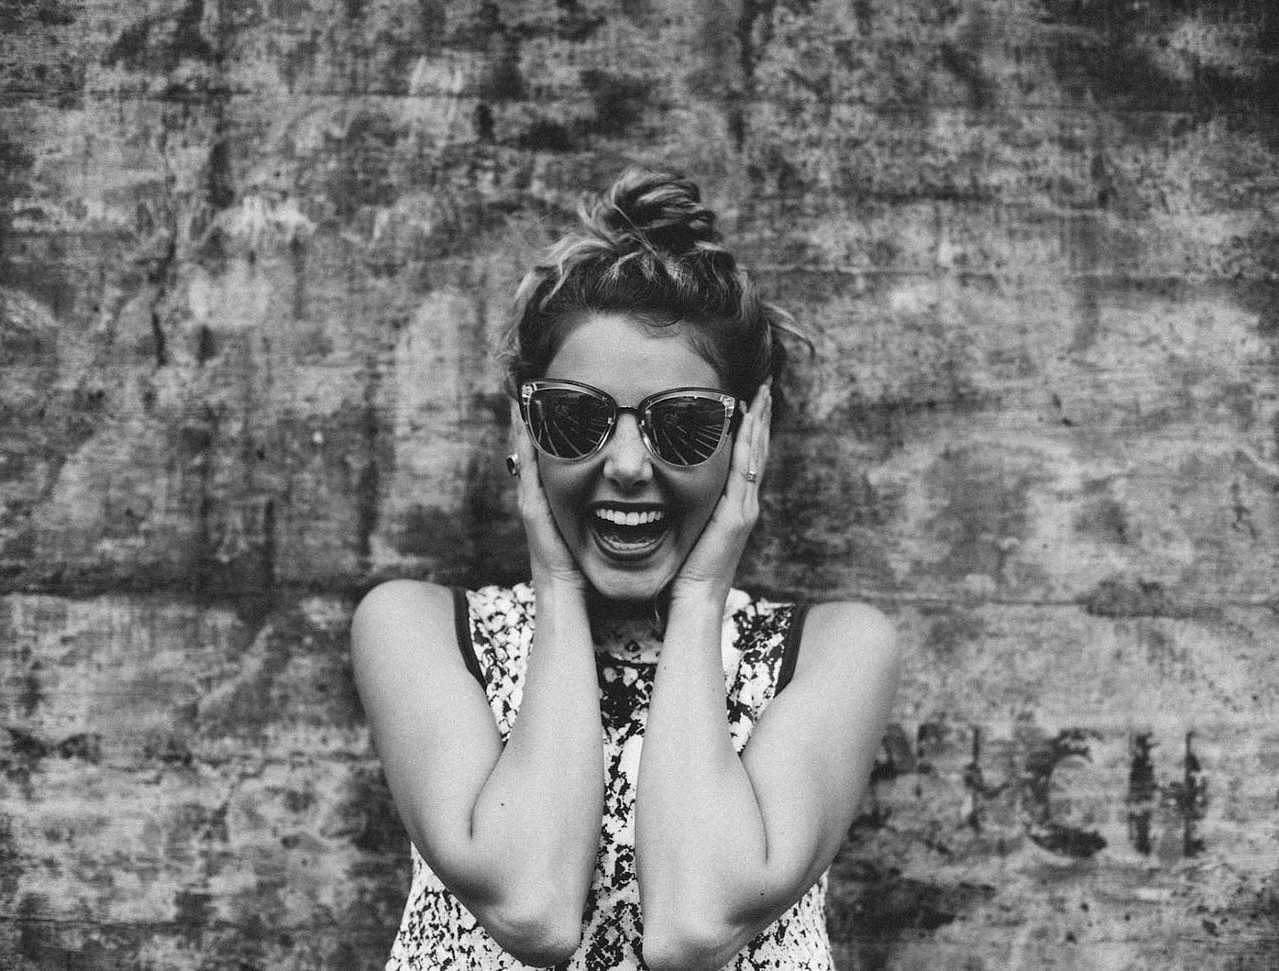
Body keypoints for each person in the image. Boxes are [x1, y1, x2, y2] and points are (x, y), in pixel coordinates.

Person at [351, 165, 899, 970]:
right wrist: (559, 585)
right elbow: (532, 908)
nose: (630, 465)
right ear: (526, 426)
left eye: (682, 424)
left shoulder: (836, 653)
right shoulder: (415, 629)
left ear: (748, 436)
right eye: (578, 419)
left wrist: (703, 594)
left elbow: (697, 923)